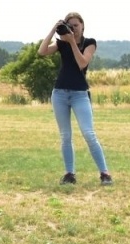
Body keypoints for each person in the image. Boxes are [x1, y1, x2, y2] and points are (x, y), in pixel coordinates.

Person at [40, 11, 113, 185]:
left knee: (88, 133)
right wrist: (54, 30)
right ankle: (69, 174)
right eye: (69, 26)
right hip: (59, 94)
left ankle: (105, 173)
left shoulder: (89, 43)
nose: (73, 29)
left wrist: (72, 42)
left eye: (76, 25)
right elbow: (42, 51)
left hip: (80, 94)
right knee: (65, 135)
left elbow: (82, 63)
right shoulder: (61, 43)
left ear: (82, 26)